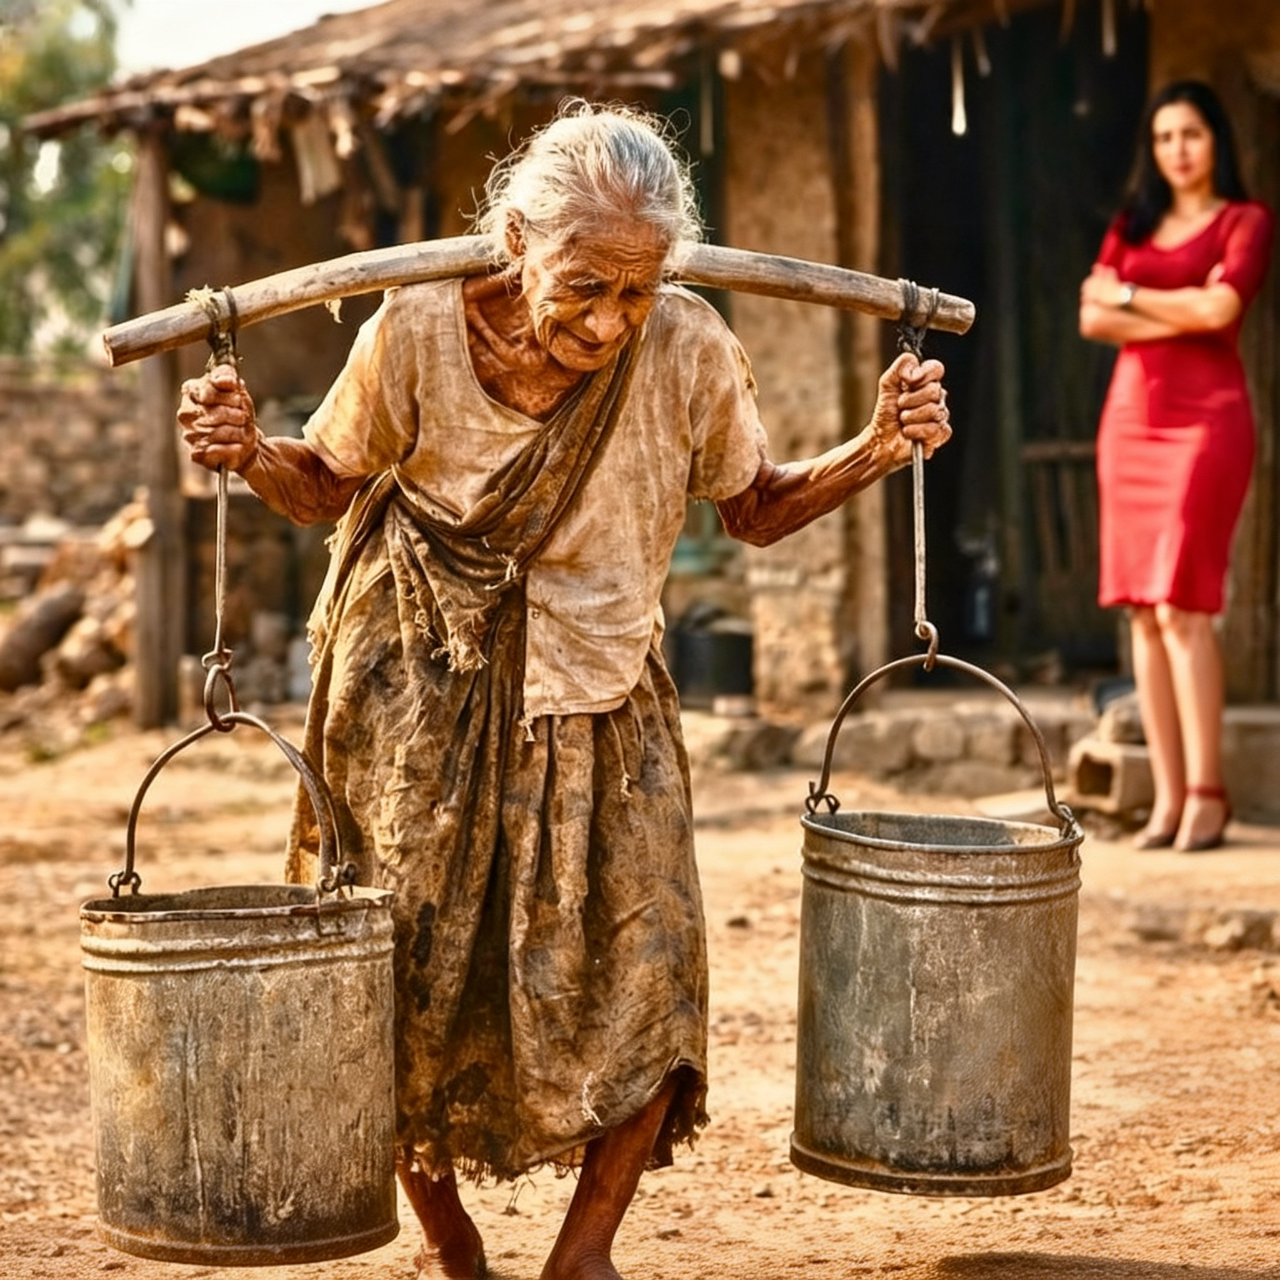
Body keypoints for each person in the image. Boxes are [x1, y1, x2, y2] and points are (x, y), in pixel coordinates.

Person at [178, 100, 951, 1280]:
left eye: (634, 292)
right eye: (582, 286)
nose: (607, 322)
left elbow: (750, 506)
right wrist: (248, 449)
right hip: (411, 701)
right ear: (514, 243)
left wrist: (873, 448)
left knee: (651, 968)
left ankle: (581, 1255)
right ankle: (448, 1241)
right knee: (400, 972)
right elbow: (320, 485)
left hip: (601, 685)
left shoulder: (686, 345)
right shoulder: (415, 330)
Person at [1079, 80, 1273, 854]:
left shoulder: (1246, 221)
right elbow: (1091, 315)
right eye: (1164, 138)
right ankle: (1164, 797)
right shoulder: (1133, 223)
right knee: (1140, 611)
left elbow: (1224, 312)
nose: (1178, 150)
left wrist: (1134, 297)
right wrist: (1178, 300)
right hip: (1132, 420)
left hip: (1208, 418)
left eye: (1190, 134)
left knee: (1184, 606)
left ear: (1216, 139)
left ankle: (1207, 793)